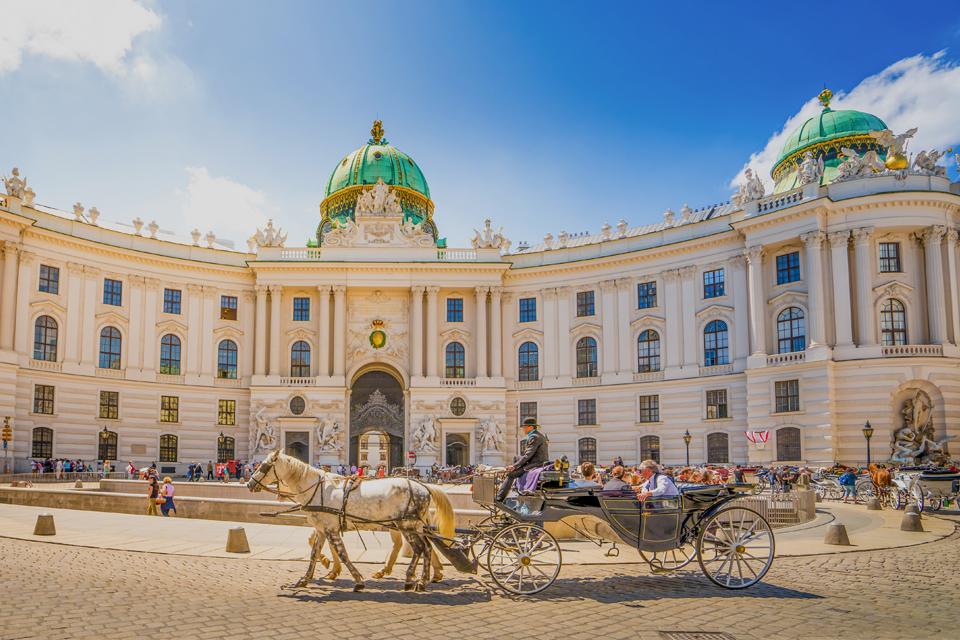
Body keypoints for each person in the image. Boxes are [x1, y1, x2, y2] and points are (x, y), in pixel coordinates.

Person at [496, 418, 549, 502]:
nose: (523, 429)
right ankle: (515, 488)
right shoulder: (537, 435)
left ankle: (499, 498)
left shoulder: (534, 437)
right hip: (537, 461)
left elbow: (528, 455)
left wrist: (514, 466)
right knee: (516, 458)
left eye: (524, 427)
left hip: (536, 463)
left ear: (531, 427)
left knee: (511, 475)